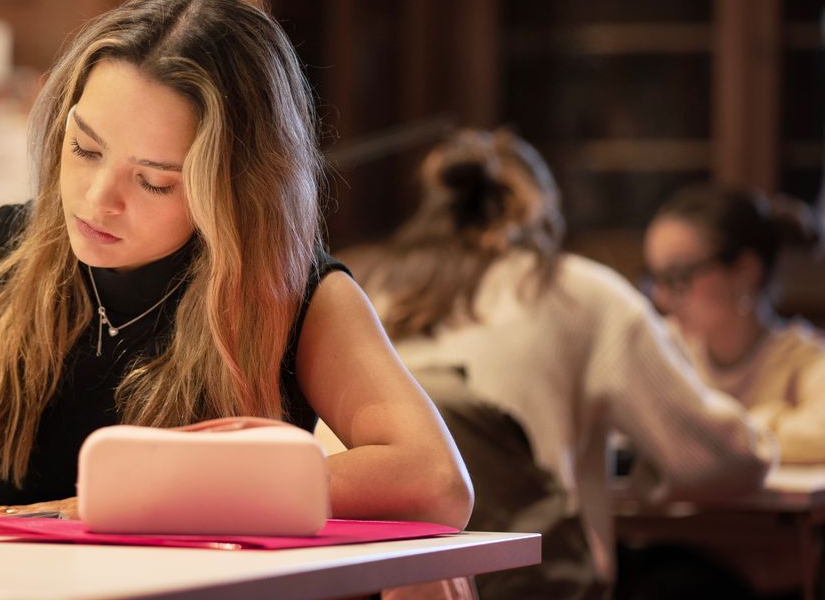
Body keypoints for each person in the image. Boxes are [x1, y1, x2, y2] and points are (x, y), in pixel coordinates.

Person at [0, 0, 473, 534]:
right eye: (84, 148)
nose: (97, 200)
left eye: (154, 181)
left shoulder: (293, 294)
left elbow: (437, 483)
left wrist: (157, 496)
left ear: (232, 190)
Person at [346, 128, 775, 599]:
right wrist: (649, 472)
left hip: (369, 580)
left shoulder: (367, 294)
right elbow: (717, 460)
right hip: (536, 579)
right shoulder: (578, 292)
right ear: (545, 212)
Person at [644, 184, 825, 463]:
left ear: (745, 271)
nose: (660, 297)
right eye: (654, 278)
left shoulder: (801, 357)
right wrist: (771, 424)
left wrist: (726, 429)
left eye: (677, 277)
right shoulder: (667, 347)